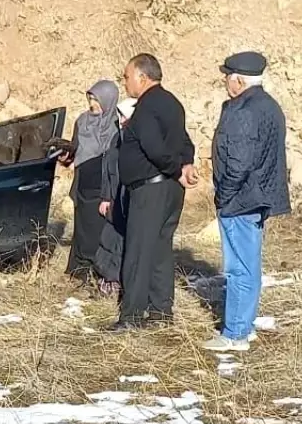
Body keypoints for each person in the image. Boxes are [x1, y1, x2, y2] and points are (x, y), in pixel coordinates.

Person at [204, 52, 290, 353]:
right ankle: (244, 325)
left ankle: (235, 333)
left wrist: (224, 195)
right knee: (250, 264)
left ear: (238, 80)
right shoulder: (269, 106)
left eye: (228, 76)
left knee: (239, 267)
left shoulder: (242, 111)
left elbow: (239, 162)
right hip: (257, 197)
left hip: (240, 199)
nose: (226, 81)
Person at [112, 53, 196, 330]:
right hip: (170, 190)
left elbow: (154, 149)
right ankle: (161, 311)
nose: (125, 83)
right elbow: (185, 141)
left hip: (151, 189)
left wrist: (174, 168)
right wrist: (184, 165)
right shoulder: (172, 103)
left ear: (142, 77)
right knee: (160, 250)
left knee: (137, 251)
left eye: (127, 77)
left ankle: (132, 316)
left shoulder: (147, 107)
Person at [64, 80, 120, 285]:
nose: (92, 104)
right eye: (90, 99)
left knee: (99, 232)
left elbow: (115, 160)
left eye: (96, 99)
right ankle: (79, 272)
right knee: (82, 229)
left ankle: (99, 272)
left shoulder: (117, 126)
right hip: (83, 185)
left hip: (102, 189)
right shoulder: (82, 122)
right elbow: (74, 151)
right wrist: (64, 155)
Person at [94, 97, 136, 297]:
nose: (120, 119)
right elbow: (108, 170)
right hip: (114, 197)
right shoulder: (116, 139)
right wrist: (106, 196)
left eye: (124, 115)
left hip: (129, 197)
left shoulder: (134, 139)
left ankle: (118, 281)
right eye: (119, 114)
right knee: (110, 237)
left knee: (122, 240)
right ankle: (107, 278)